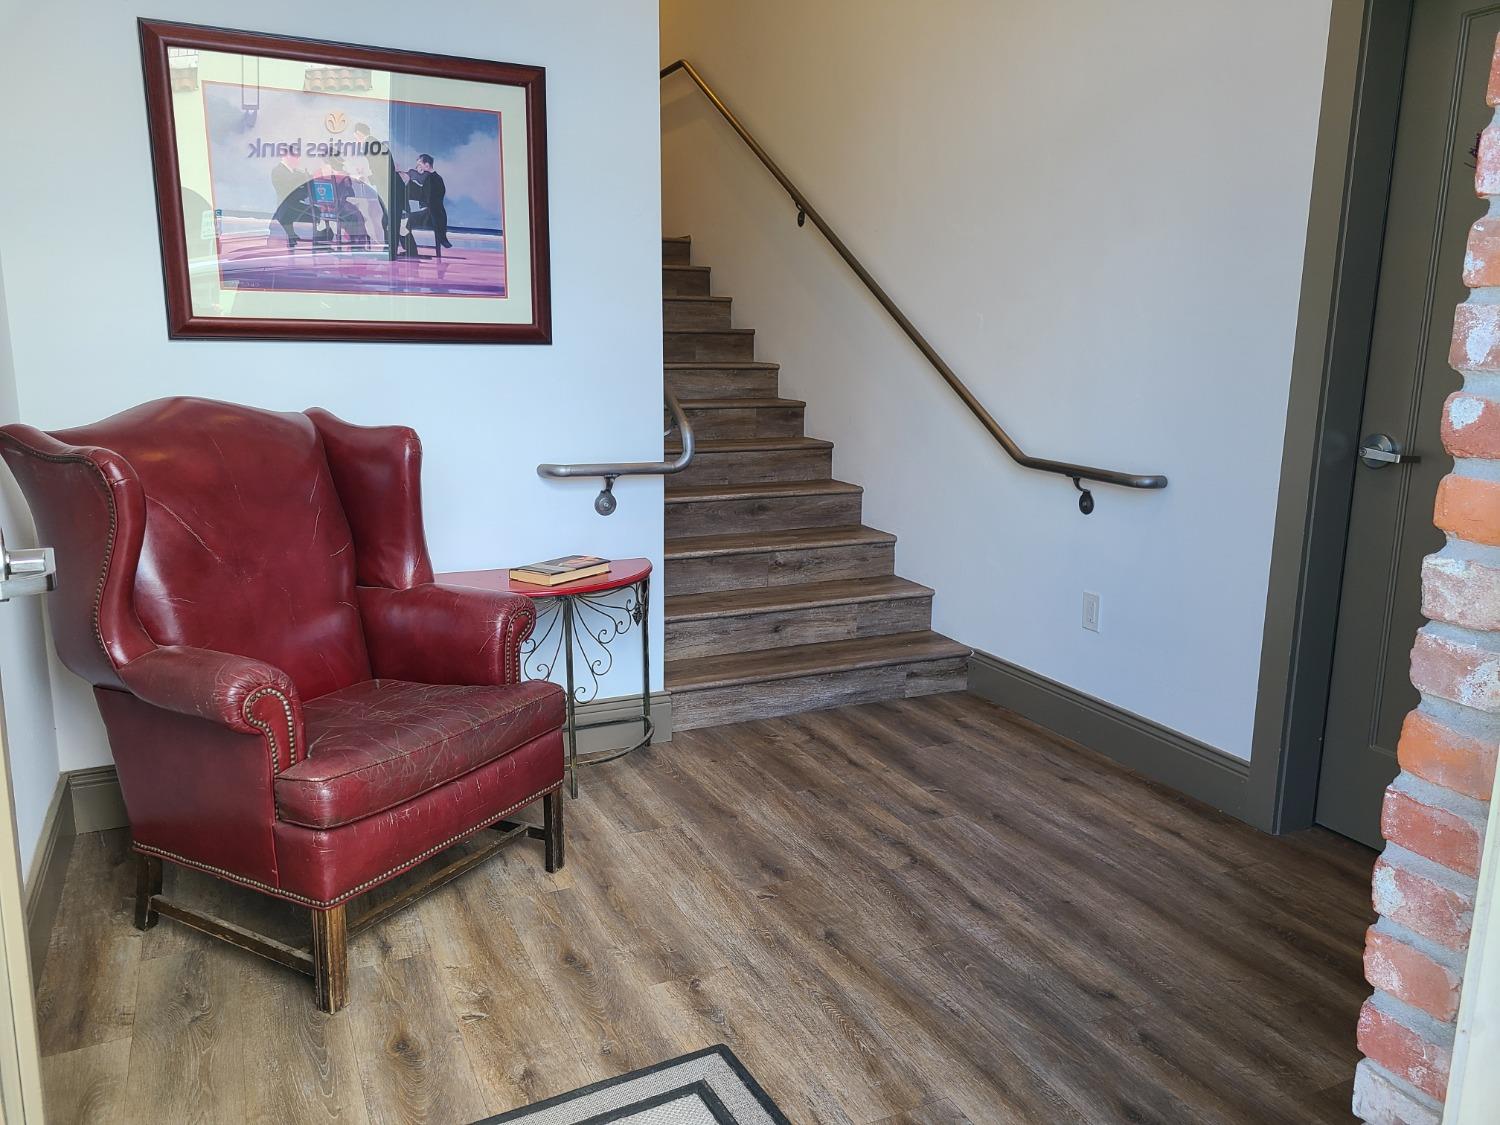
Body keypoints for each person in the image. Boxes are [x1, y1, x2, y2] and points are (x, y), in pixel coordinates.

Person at [400, 153, 450, 257]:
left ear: (427, 165)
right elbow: (424, 195)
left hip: (432, 216)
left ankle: (411, 251)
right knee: (404, 219)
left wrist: (410, 182)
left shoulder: (432, 179)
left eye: (419, 165)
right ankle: (410, 250)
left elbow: (425, 197)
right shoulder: (434, 178)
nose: (417, 168)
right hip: (435, 215)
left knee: (402, 222)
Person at [270, 153, 314, 248]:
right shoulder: (278, 171)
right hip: (287, 208)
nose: (298, 160)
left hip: (294, 206)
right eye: (296, 157)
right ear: (286, 156)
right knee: (316, 213)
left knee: (317, 211)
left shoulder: (296, 172)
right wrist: (303, 191)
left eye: (298, 157)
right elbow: (287, 190)